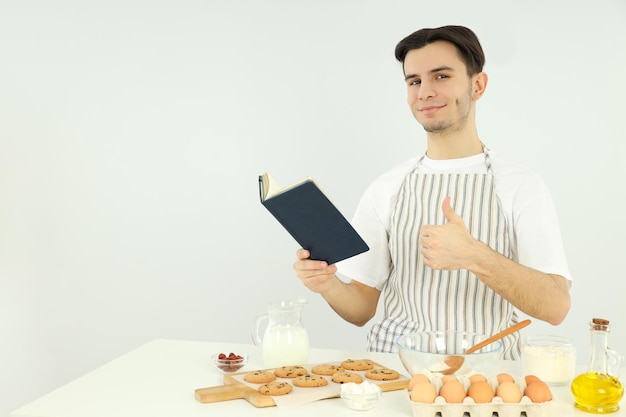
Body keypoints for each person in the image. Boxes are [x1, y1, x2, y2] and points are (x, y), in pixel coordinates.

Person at [293, 25, 572, 359]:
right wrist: (327, 285)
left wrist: (473, 255)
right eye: (414, 81)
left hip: (489, 376)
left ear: (477, 85)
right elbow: (361, 309)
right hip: (396, 372)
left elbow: (556, 307)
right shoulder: (387, 187)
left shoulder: (521, 185)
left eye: (441, 76)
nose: (424, 91)